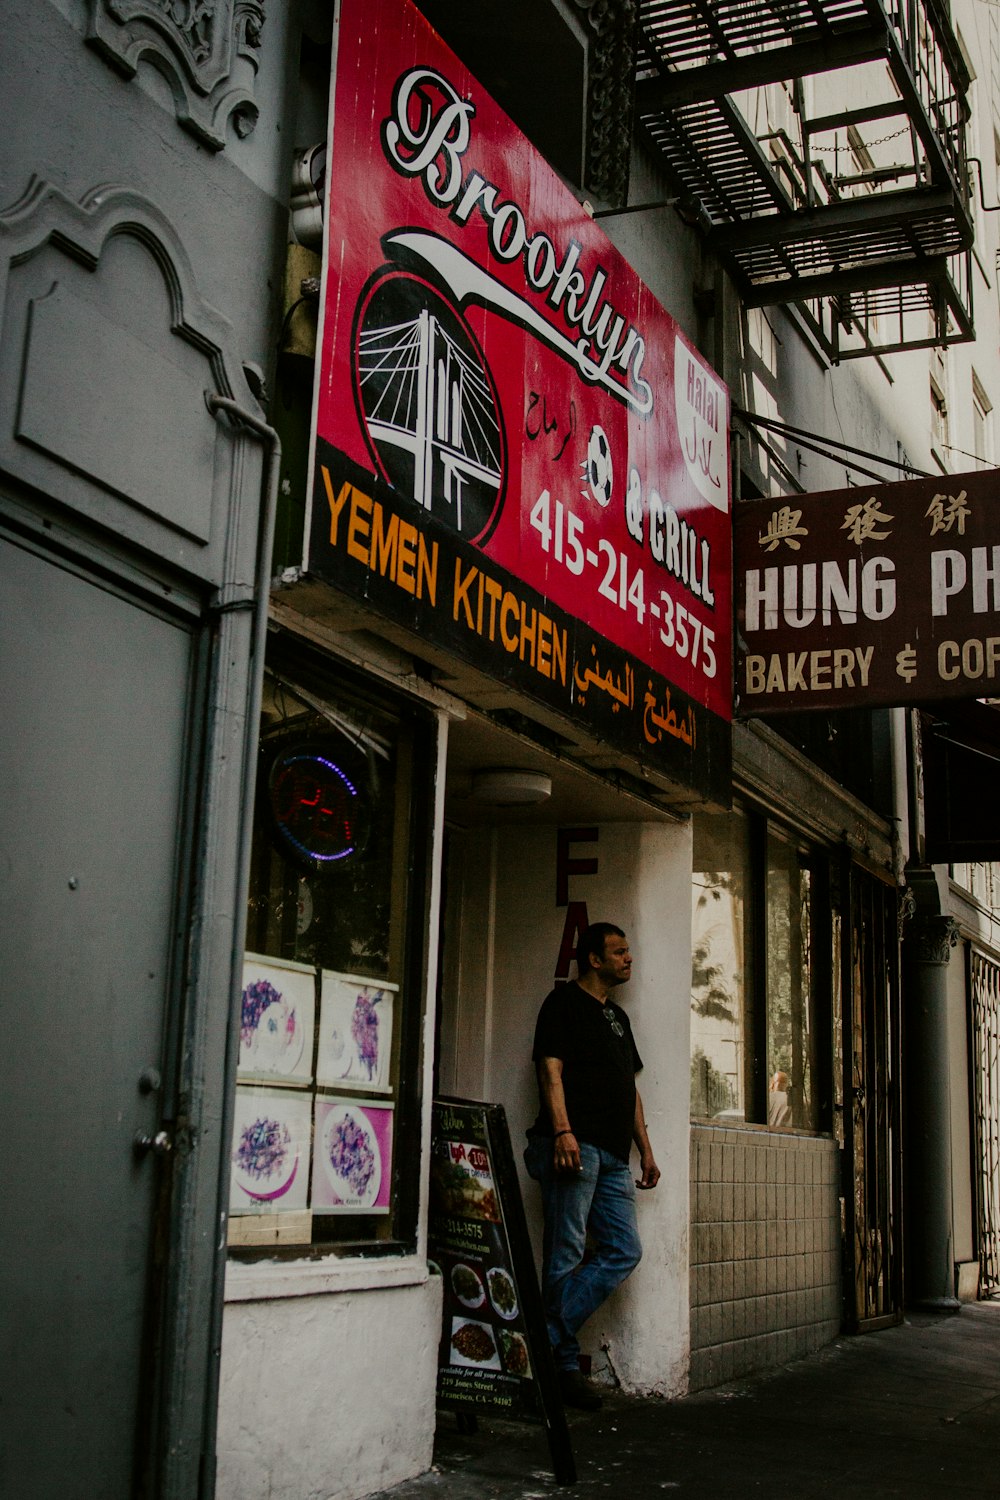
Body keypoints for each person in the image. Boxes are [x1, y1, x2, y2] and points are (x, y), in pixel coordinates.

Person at [524, 921, 659, 1411]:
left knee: (624, 1249)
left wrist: (645, 1148)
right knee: (565, 1253)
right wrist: (563, 1131)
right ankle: (560, 1370)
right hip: (575, 1146)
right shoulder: (562, 1003)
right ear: (594, 959)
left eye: (629, 951)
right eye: (620, 952)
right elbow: (549, 1068)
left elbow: (630, 1087)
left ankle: (540, 1336)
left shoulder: (618, 1018)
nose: (629, 958)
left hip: (614, 1154)